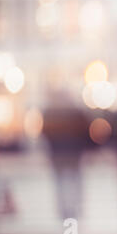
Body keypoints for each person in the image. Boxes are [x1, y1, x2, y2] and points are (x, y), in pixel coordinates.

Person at [42, 90, 90, 220]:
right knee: (74, 180)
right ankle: (76, 207)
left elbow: (44, 132)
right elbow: (86, 130)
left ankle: (64, 209)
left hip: (58, 153)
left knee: (61, 182)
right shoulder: (75, 110)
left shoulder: (50, 111)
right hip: (74, 153)